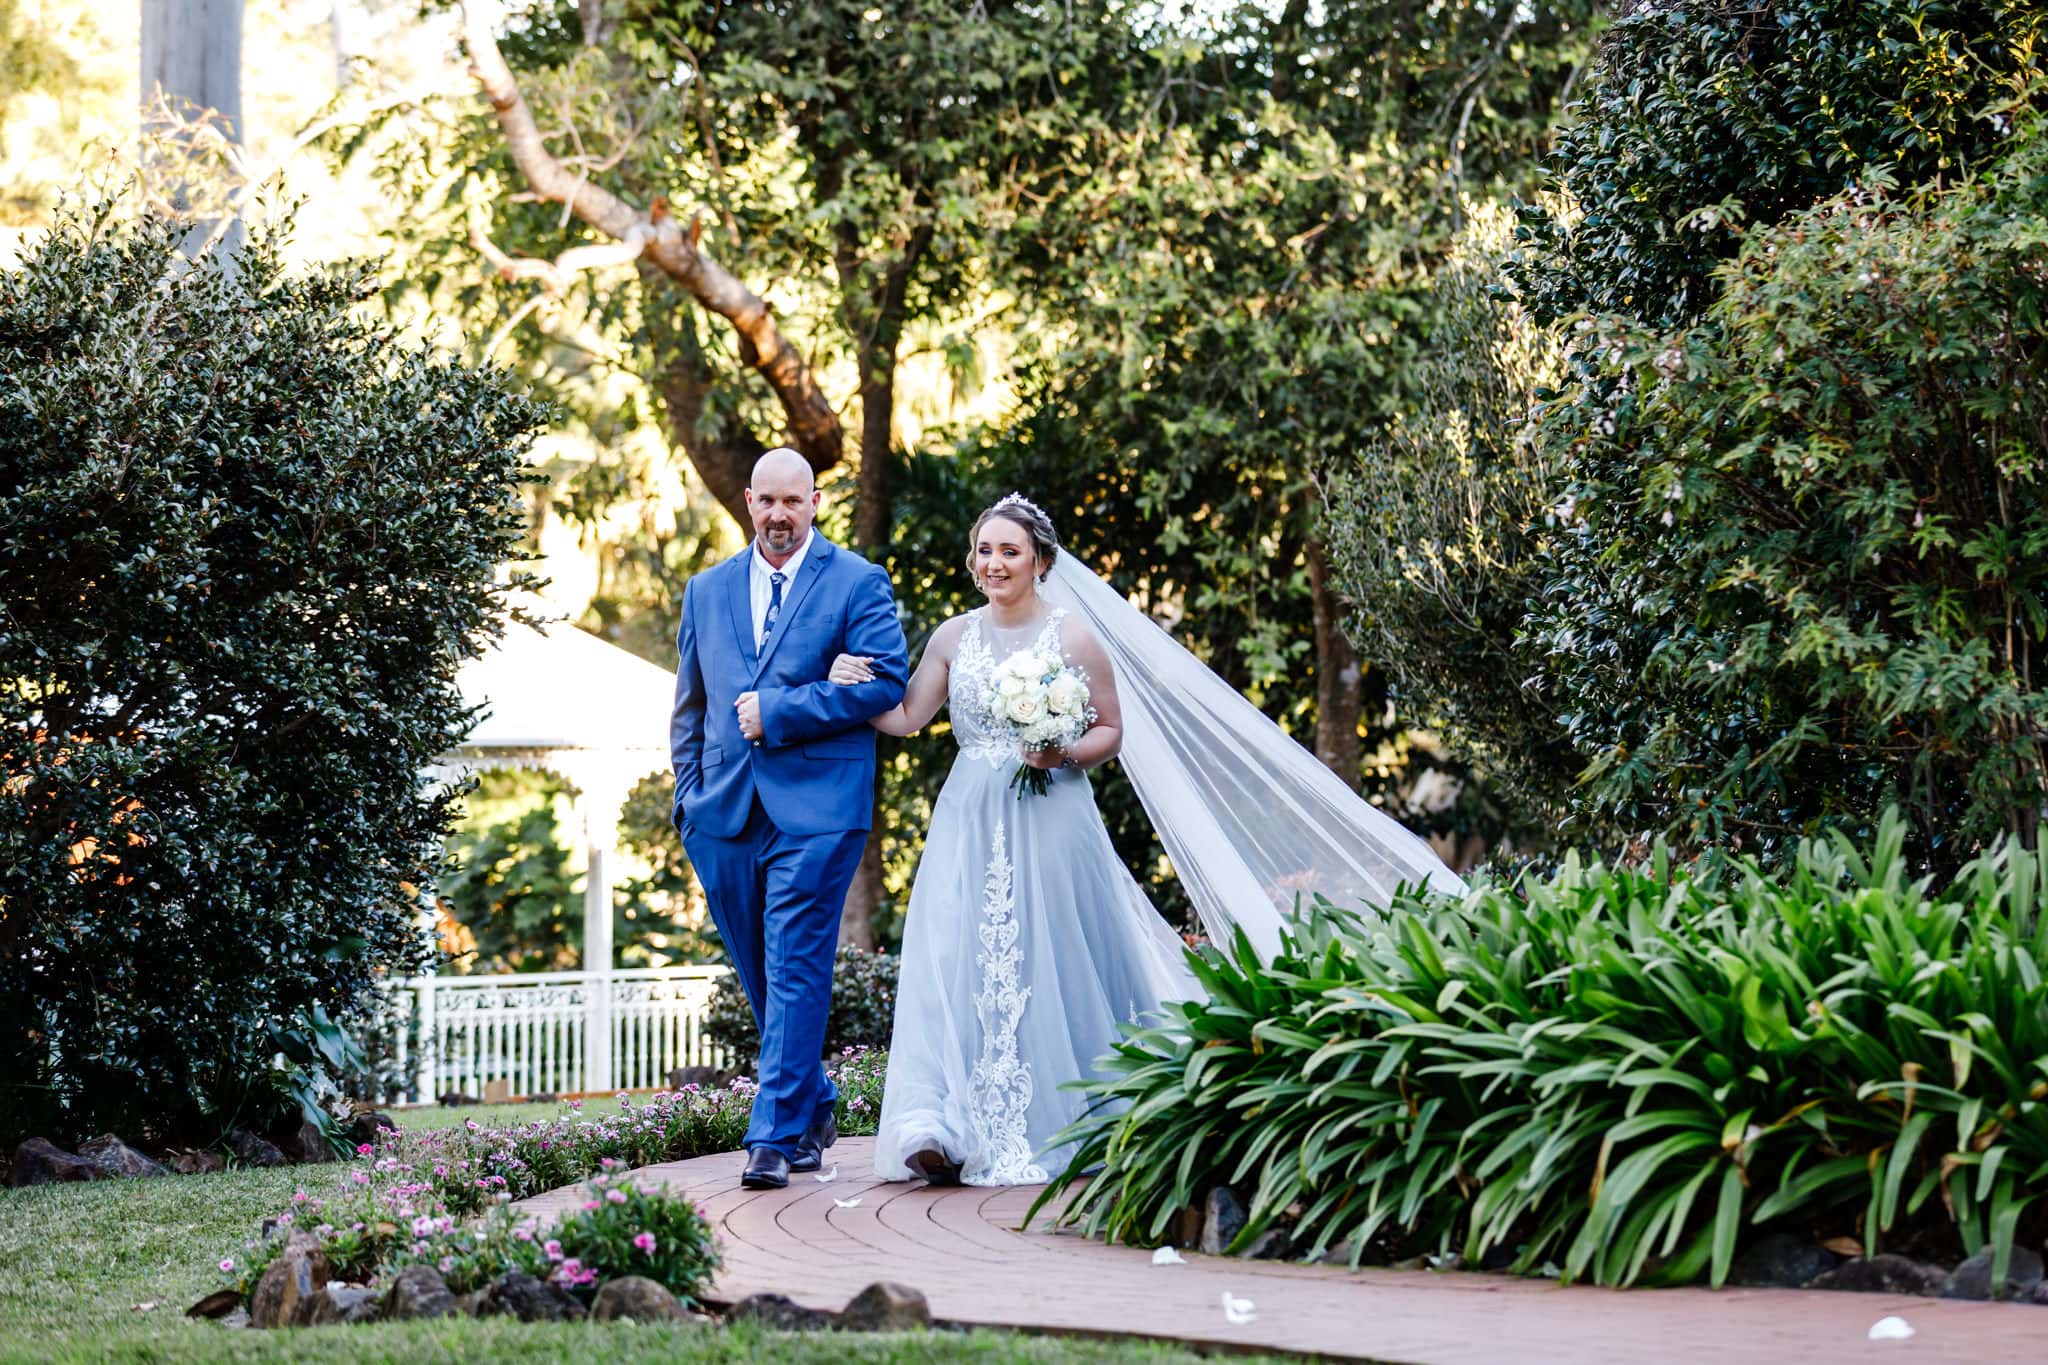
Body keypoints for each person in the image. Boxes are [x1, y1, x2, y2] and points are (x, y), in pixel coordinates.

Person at [830, 493, 1465, 1187]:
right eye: (985, 550)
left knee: (1051, 954)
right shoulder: (953, 637)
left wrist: (1060, 749)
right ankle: (942, 1125)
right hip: (969, 817)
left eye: (1010, 550)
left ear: (1040, 560)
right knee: (959, 953)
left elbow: (1110, 731)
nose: (994, 563)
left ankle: (1069, 1115)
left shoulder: (1072, 637)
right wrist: (849, 687)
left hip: (1050, 811)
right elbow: (907, 716)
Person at [669, 448, 908, 1190]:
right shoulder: (705, 590)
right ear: (747, 501)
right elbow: (691, 707)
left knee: (797, 962)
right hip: (722, 813)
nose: (779, 515)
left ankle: (772, 1137)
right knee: (760, 969)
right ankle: (815, 1103)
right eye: (766, 501)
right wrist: (689, 799)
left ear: (814, 504)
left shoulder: (856, 582)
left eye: (793, 502)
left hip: (820, 811)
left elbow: (888, 681)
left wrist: (784, 707)